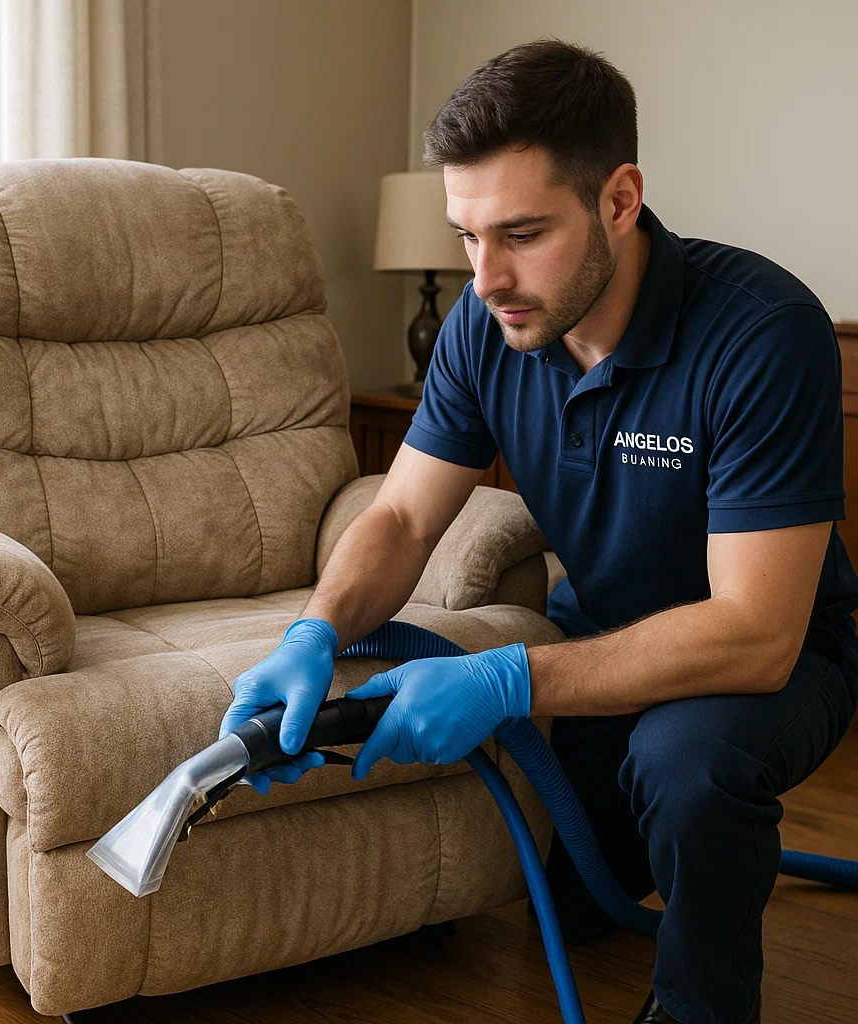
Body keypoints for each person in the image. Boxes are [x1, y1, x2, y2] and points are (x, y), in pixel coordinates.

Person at [218, 39, 858, 1024]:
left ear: (618, 198)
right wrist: (314, 632)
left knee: (684, 767)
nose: (485, 276)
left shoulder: (762, 332)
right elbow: (397, 514)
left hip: (768, 661)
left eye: (519, 232)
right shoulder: (489, 327)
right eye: (467, 236)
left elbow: (756, 633)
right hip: (597, 638)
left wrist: (505, 676)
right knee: (573, 902)